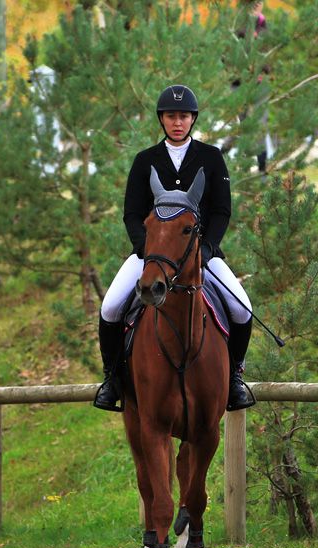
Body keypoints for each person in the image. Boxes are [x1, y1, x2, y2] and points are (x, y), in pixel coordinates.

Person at [93, 84, 256, 413]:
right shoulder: (144, 161)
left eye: (183, 116)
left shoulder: (211, 157)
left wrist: (207, 249)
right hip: (152, 257)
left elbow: (222, 211)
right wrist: (146, 250)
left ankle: (235, 377)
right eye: (171, 116)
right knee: (110, 307)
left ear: (192, 119)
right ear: (162, 120)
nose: (177, 122)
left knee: (242, 310)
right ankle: (111, 380)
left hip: (201, 256)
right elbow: (132, 213)